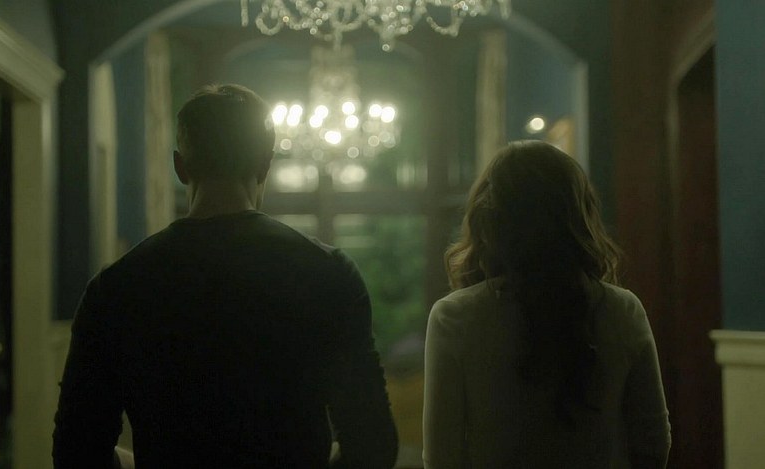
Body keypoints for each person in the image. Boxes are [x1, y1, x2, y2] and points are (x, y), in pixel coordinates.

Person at [53, 84, 398, 468]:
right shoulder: (329, 274)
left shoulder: (116, 287)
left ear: (180, 167)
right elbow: (373, 445)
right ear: (265, 165)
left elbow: (75, 452)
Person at [423, 141, 671, 469]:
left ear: (488, 219)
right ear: (578, 215)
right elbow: (653, 442)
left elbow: (442, 457)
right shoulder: (622, 310)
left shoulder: (455, 318)